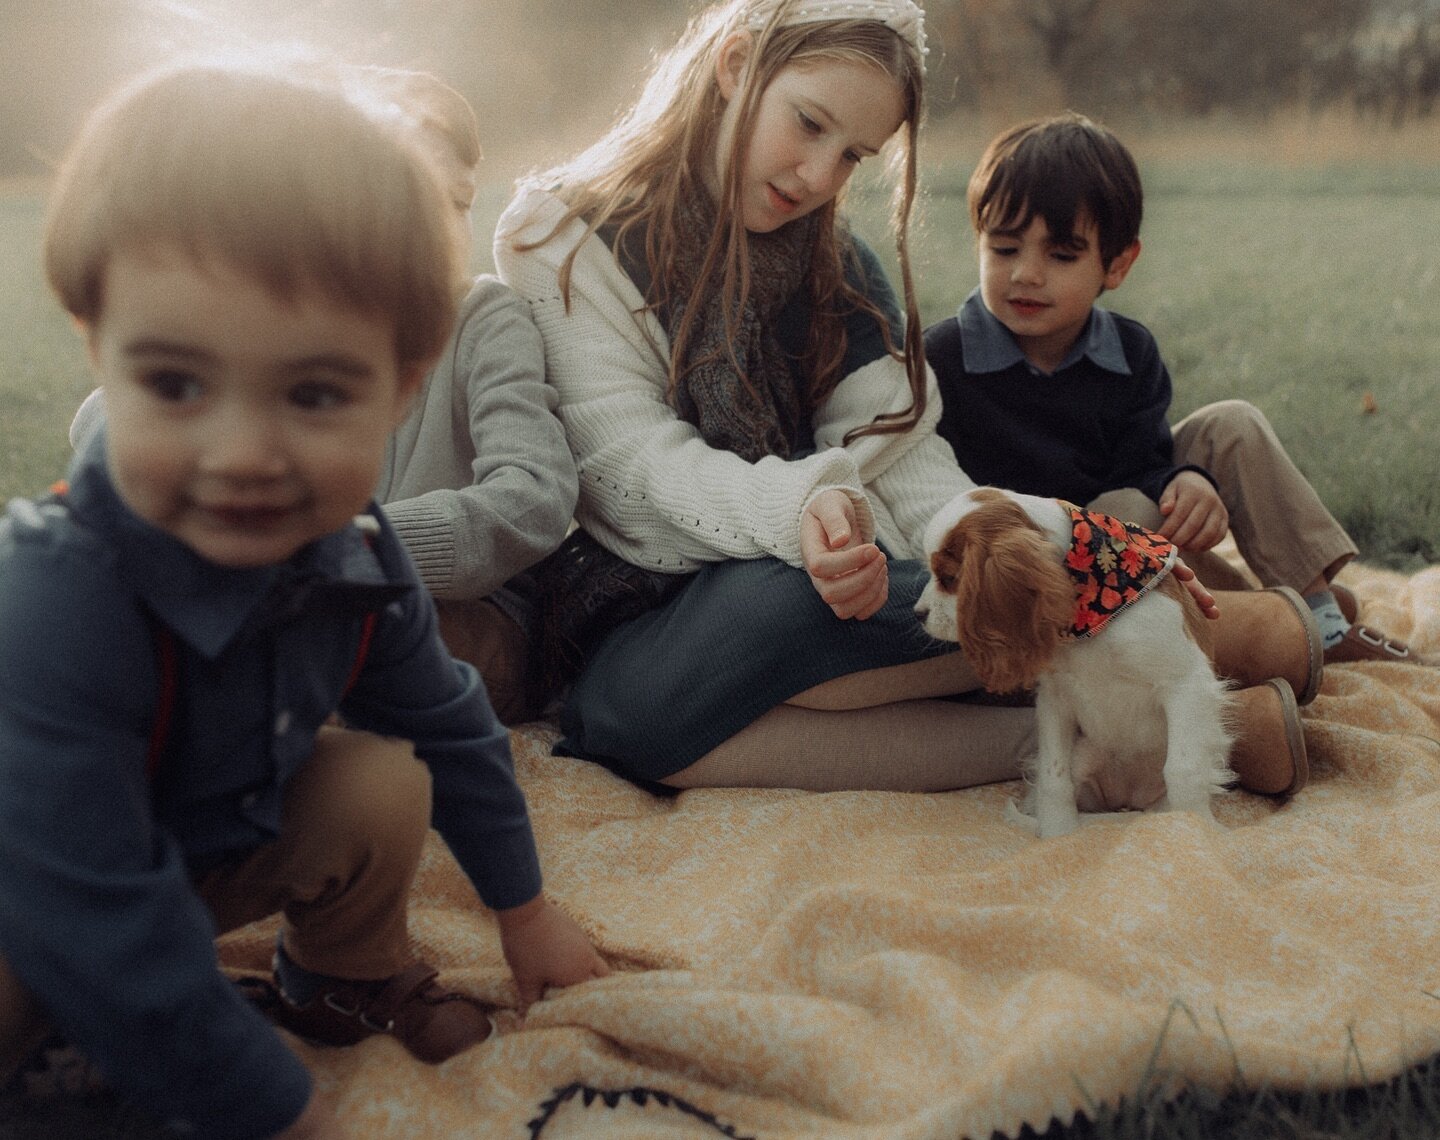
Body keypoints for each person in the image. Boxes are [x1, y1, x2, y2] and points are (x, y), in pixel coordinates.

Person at [493, 0, 1322, 802]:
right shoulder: (559, 238)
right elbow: (631, 472)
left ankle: (1183, 639)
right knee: (629, 707)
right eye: (810, 124)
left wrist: (1041, 544)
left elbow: (901, 455)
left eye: (855, 155)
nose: (820, 178)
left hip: (818, 586)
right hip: (664, 588)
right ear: (736, 65)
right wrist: (805, 510)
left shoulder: (838, 266)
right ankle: (1131, 733)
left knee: (901, 591)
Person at [0, 60, 608, 1140]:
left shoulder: (357, 560)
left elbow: (459, 733)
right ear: (98, 351)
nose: (241, 455)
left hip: (185, 857)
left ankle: (341, 977)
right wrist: (282, 1114)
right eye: (177, 386)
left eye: (314, 393)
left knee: (379, 781)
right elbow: (93, 913)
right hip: (37, 891)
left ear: (403, 383)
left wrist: (526, 914)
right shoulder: (54, 599)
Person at [69, 66, 579, 725]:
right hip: (274, 590)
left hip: (456, 612)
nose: (445, 231)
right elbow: (100, 423)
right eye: (415, 203)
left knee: (303, 652)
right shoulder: (289, 310)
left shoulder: (483, 317)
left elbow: (533, 498)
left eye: (459, 203)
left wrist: (351, 550)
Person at [924, 111, 1432, 669]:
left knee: (1229, 427)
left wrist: (1184, 477)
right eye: (1004, 249)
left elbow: (1142, 460)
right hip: (1035, 563)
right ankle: (1266, 618)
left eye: (1061, 255)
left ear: (1117, 265)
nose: (1025, 273)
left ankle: (1321, 616)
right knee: (1124, 509)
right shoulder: (945, 358)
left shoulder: (1129, 351)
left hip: (1132, 535)